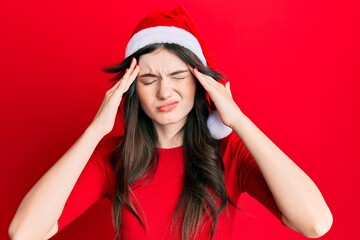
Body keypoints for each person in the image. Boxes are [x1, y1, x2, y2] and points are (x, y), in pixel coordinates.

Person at [9, 6, 332, 240]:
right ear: (132, 89)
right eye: (149, 79)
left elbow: (315, 223)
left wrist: (238, 120)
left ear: (200, 81)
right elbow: (24, 233)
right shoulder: (114, 158)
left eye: (178, 76)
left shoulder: (229, 152)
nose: (165, 91)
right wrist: (96, 131)